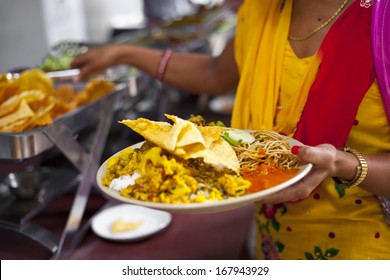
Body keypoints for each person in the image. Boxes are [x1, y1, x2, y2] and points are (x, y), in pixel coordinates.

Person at [71, 0, 390, 259]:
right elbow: (215, 73)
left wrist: (343, 164)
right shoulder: (263, 11)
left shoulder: (381, 21)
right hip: (271, 244)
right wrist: (125, 54)